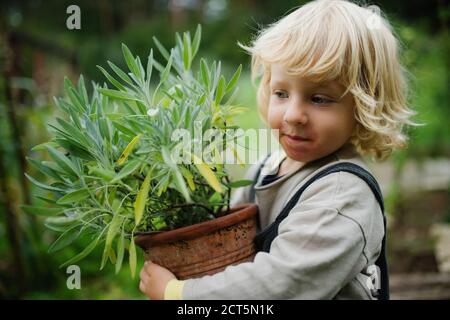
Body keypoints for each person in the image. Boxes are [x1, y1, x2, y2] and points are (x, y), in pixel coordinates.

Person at [138, 0, 419, 299]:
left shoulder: (342, 196)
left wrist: (179, 294)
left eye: (320, 98)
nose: (292, 115)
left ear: (364, 106)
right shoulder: (266, 168)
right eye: (281, 93)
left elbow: (278, 286)